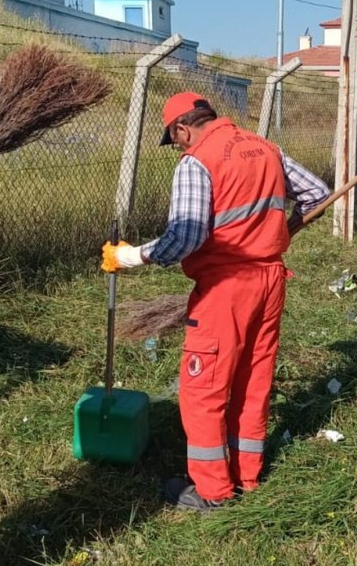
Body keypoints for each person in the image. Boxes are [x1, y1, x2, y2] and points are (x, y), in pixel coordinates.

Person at [105, 92, 331, 512]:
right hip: (270, 280)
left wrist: (130, 256)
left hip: (226, 286)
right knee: (253, 381)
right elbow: (317, 193)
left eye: (175, 140)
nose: (178, 148)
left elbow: (185, 237)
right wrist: (278, 232)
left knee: (203, 389)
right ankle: (247, 476)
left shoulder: (197, 162)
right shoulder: (264, 148)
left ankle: (212, 491)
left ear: (181, 128)